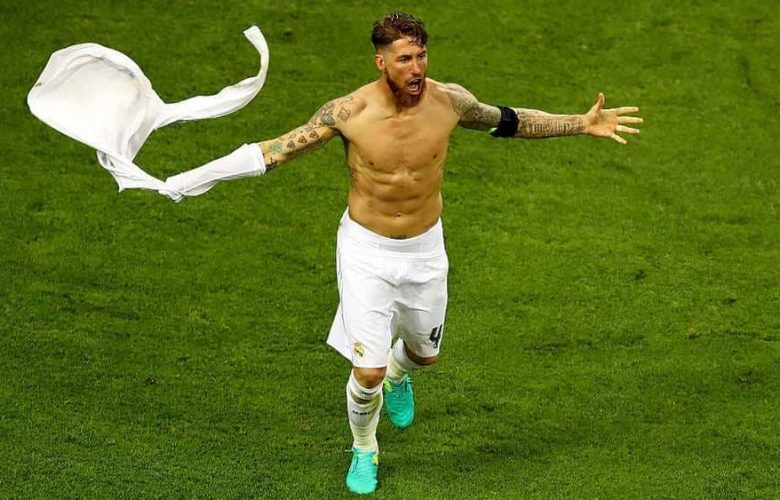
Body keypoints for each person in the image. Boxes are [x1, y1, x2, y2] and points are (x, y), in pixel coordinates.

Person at [166, 11, 642, 495]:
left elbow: (511, 121)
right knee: (366, 371)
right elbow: (275, 151)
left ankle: (400, 374)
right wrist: (189, 180)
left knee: (423, 355)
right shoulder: (348, 113)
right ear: (381, 62)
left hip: (424, 250)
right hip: (365, 252)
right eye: (405, 59)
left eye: (421, 56)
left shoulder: (450, 102)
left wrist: (581, 124)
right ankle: (365, 448)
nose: (416, 68)